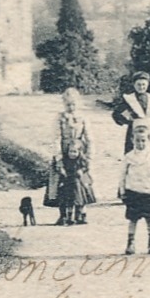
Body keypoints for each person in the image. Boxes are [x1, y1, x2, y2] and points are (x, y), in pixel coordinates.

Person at [117, 119, 150, 254]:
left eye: (143, 140)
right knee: (133, 219)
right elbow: (122, 175)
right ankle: (131, 243)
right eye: (138, 140)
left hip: (149, 191)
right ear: (132, 140)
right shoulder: (128, 157)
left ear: (149, 141)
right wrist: (122, 190)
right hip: (133, 192)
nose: (140, 143)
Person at [46, 88, 96, 225]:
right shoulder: (60, 118)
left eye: (74, 104)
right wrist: (59, 158)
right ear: (64, 103)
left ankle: (81, 213)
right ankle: (63, 215)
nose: (71, 107)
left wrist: (89, 157)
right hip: (64, 152)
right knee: (62, 183)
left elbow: (90, 138)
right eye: (68, 104)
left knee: (81, 182)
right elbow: (55, 138)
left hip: (79, 153)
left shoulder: (83, 118)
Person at [112, 71, 150, 152]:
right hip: (135, 127)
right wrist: (127, 122)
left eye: (143, 84)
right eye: (139, 84)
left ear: (147, 85)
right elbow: (116, 113)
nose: (141, 87)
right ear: (134, 85)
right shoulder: (129, 98)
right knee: (133, 149)